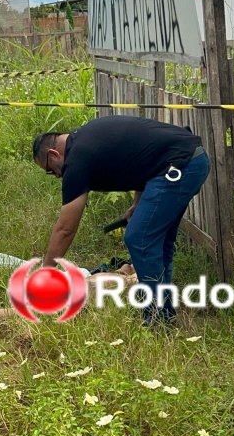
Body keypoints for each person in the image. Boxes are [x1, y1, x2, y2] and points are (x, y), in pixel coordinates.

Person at [32, 116, 210, 325]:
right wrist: (138, 203)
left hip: (181, 165)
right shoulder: (87, 137)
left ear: (53, 154)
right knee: (159, 242)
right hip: (188, 160)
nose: (54, 175)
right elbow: (143, 158)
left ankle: (157, 319)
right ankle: (162, 313)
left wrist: (47, 271)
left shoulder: (77, 159)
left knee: (139, 238)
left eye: (49, 170)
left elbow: (65, 229)